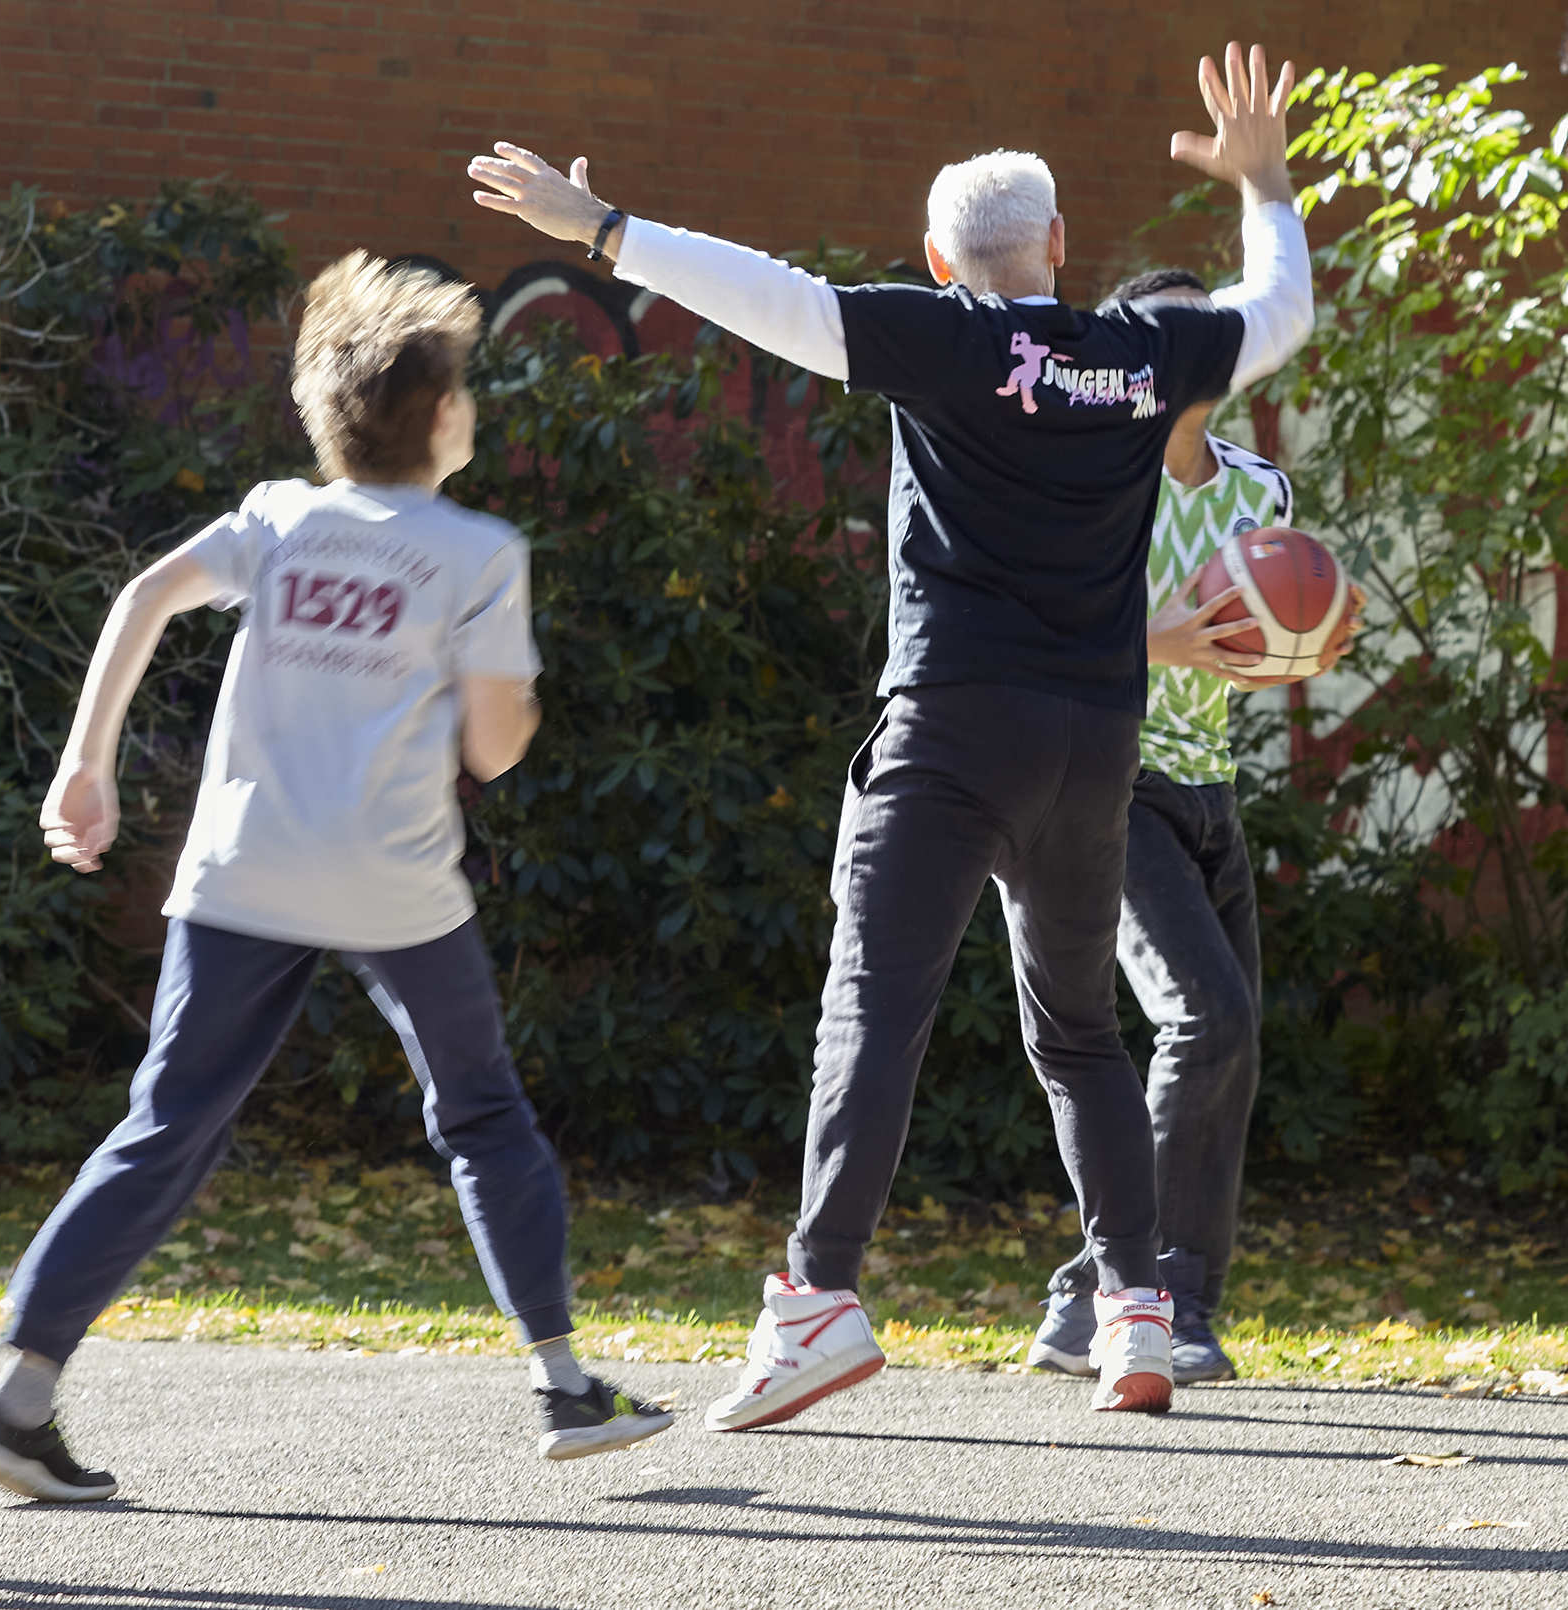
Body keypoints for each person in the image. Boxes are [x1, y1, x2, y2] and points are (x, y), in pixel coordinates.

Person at [467, 42, 1313, 1421]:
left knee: (873, 1004)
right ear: (1057, 242)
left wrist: (605, 231)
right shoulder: (1138, 354)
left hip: (952, 726)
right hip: (1092, 743)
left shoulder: (942, 337)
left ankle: (815, 1299)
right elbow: (1273, 311)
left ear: (934, 257)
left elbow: (768, 298)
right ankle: (1137, 1311)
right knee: (1082, 1033)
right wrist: (1263, 182)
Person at [0, 251, 674, 1504]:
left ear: (326, 416)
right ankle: (563, 1379)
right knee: (484, 1115)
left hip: (243, 872)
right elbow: (494, 747)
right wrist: (500, 696)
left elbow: (144, 596)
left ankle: (17, 1403)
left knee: (164, 1126)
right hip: (395, 884)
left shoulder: (278, 517)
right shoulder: (478, 551)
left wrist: (86, 765)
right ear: (444, 415)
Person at [1024, 268, 1362, 1387]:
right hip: (1110, 783)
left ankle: (1167, 1301)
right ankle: (1123, 1291)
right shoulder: (1089, 483)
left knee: (1235, 1034)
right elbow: (1038, 634)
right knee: (1204, 1016)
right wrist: (1158, 645)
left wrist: (1306, 639)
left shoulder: (1259, 487)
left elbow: (1259, 629)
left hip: (1209, 792)